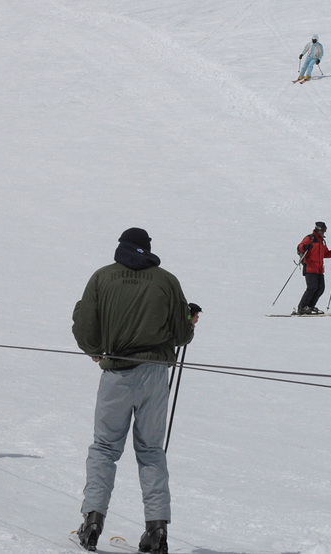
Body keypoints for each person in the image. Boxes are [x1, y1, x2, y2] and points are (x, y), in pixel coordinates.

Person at [72, 228, 199, 553]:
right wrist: (188, 319)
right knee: (151, 451)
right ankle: (156, 530)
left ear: (122, 248)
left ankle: (92, 521)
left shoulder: (102, 278)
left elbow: (86, 329)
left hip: (116, 373)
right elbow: (182, 334)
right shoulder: (166, 280)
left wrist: (97, 348)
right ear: (147, 249)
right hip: (155, 375)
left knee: (104, 448)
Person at [295, 222, 331, 315]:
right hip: (310, 268)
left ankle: (310, 306)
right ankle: (302, 307)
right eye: (323, 230)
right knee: (312, 288)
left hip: (319, 269)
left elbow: (326, 254)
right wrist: (305, 247)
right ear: (318, 229)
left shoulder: (321, 241)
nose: (324, 232)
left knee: (320, 288)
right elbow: (300, 247)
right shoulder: (310, 238)